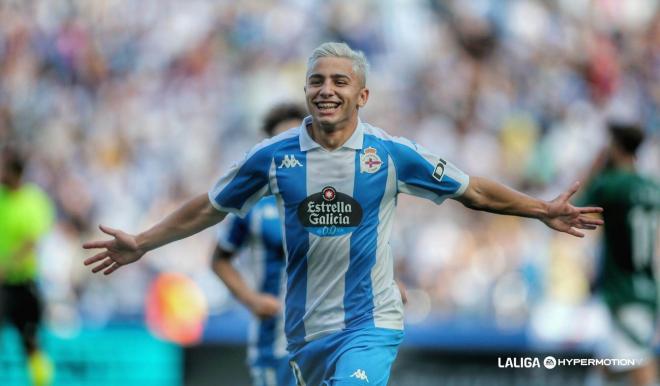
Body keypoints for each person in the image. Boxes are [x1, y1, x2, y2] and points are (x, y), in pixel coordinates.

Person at [83, 42, 603, 385]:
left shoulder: (391, 155)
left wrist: (541, 210)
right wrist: (144, 242)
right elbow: (210, 206)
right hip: (306, 333)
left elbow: (473, 191)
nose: (326, 90)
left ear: (362, 94)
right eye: (316, 81)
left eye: (338, 81)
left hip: (369, 322)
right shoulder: (275, 157)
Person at [212, 103, 305, 386]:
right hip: (273, 343)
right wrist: (250, 299)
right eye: (280, 141)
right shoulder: (253, 203)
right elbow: (220, 259)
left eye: (296, 140)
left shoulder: (332, 197)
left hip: (327, 337)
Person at [578, 123, 659, 386]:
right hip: (646, 285)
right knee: (611, 361)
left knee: (638, 362)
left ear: (614, 148)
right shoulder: (652, 188)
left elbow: (576, 208)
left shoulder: (611, 185)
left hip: (623, 288)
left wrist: (596, 167)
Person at [0, 149, 55, 386]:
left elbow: (32, 242)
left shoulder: (34, 200)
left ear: (15, 172)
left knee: (31, 343)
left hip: (23, 283)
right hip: (2, 285)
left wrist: (6, 265)